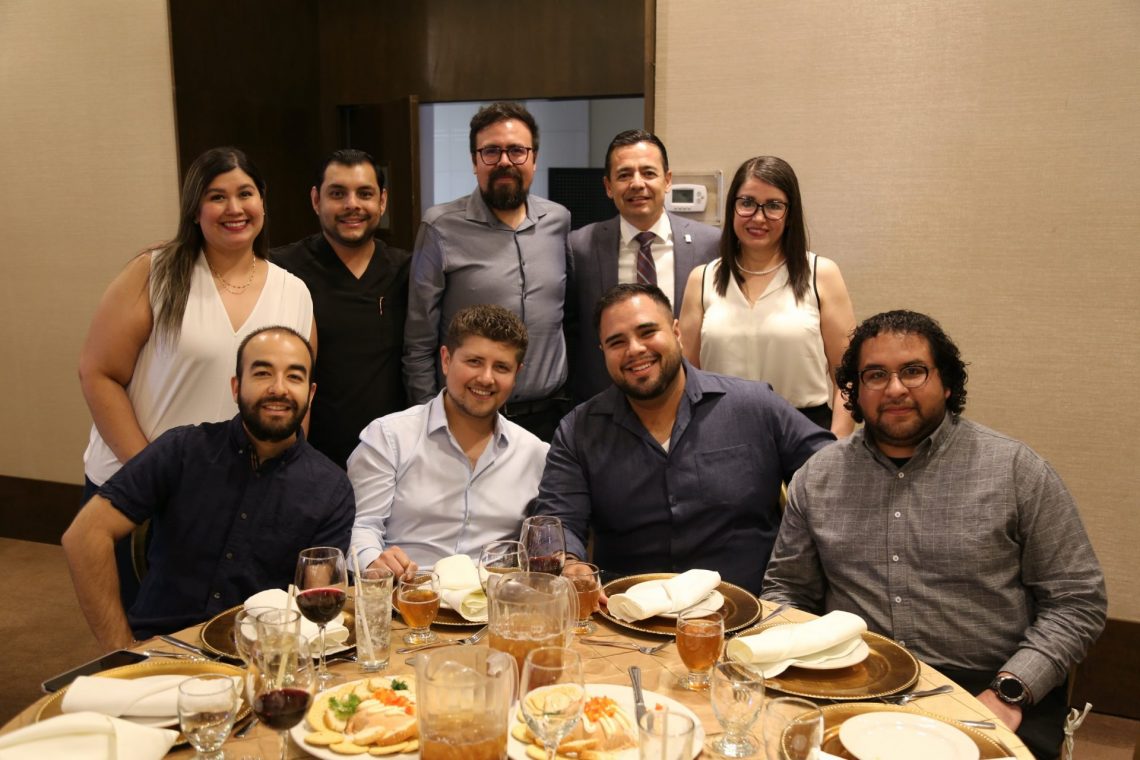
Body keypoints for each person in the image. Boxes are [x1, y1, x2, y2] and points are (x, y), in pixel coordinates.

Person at [761, 310, 1106, 759]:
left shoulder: (1015, 471)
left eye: (913, 371)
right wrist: (803, 661)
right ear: (855, 391)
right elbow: (787, 589)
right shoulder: (818, 476)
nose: (895, 388)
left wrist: (1011, 690)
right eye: (875, 375)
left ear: (946, 383)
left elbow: (1077, 600)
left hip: (990, 689)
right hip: (854, 683)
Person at [62, 327, 354, 651]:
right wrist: (122, 650)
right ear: (236, 387)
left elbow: (316, 609)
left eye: (294, 377)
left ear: (310, 395)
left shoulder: (331, 488)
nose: (278, 388)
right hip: (160, 648)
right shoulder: (182, 450)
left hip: (259, 661)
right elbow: (84, 536)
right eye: (262, 373)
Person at [532, 284, 835, 593]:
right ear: (603, 352)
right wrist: (569, 563)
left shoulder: (754, 406)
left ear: (676, 332)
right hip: (625, 612)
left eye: (648, 332)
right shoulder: (579, 430)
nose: (634, 349)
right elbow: (556, 521)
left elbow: (834, 474)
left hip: (751, 608)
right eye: (616, 342)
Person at [79, 146, 315, 493]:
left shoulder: (294, 292)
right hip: (136, 483)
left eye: (245, 194)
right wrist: (151, 474)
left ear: (262, 203)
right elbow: (98, 373)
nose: (234, 208)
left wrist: (278, 478)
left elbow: (297, 402)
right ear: (194, 210)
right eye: (217, 197)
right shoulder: (155, 272)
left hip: (234, 492)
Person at [403, 102, 572, 440]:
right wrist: (428, 425)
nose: (505, 161)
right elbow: (418, 343)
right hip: (469, 417)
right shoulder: (439, 227)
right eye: (491, 151)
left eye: (517, 151)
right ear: (474, 161)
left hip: (550, 418)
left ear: (534, 159)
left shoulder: (558, 221)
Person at [350, 305, 549, 576]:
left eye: (501, 367)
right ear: (446, 360)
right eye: (474, 361)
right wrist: (373, 562)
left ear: (517, 375)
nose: (486, 378)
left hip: (494, 597)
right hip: (408, 591)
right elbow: (362, 526)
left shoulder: (535, 454)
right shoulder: (389, 437)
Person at [678, 156, 856, 436]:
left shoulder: (821, 274)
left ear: (790, 214)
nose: (758, 217)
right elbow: (686, 380)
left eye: (773, 205)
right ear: (732, 207)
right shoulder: (702, 280)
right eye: (747, 202)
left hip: (805, 432)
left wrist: (835, 446)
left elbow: (847, 378)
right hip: (721, 433)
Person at [272, 149, 411, 468]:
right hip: (310, 459)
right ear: (316, 200)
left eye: (365, 193)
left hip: (391, 460)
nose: (352, 204)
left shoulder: (407, 272)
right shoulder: (282, 270)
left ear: (382, 201)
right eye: (337, 194)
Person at [567, 129, 719, 401]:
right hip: (606, 403)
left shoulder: (710, 245)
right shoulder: (580, 247)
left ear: (667, 180)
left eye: (648, 173)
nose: (637, 184)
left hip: (691, 401)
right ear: (608, 186)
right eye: (624, 175)